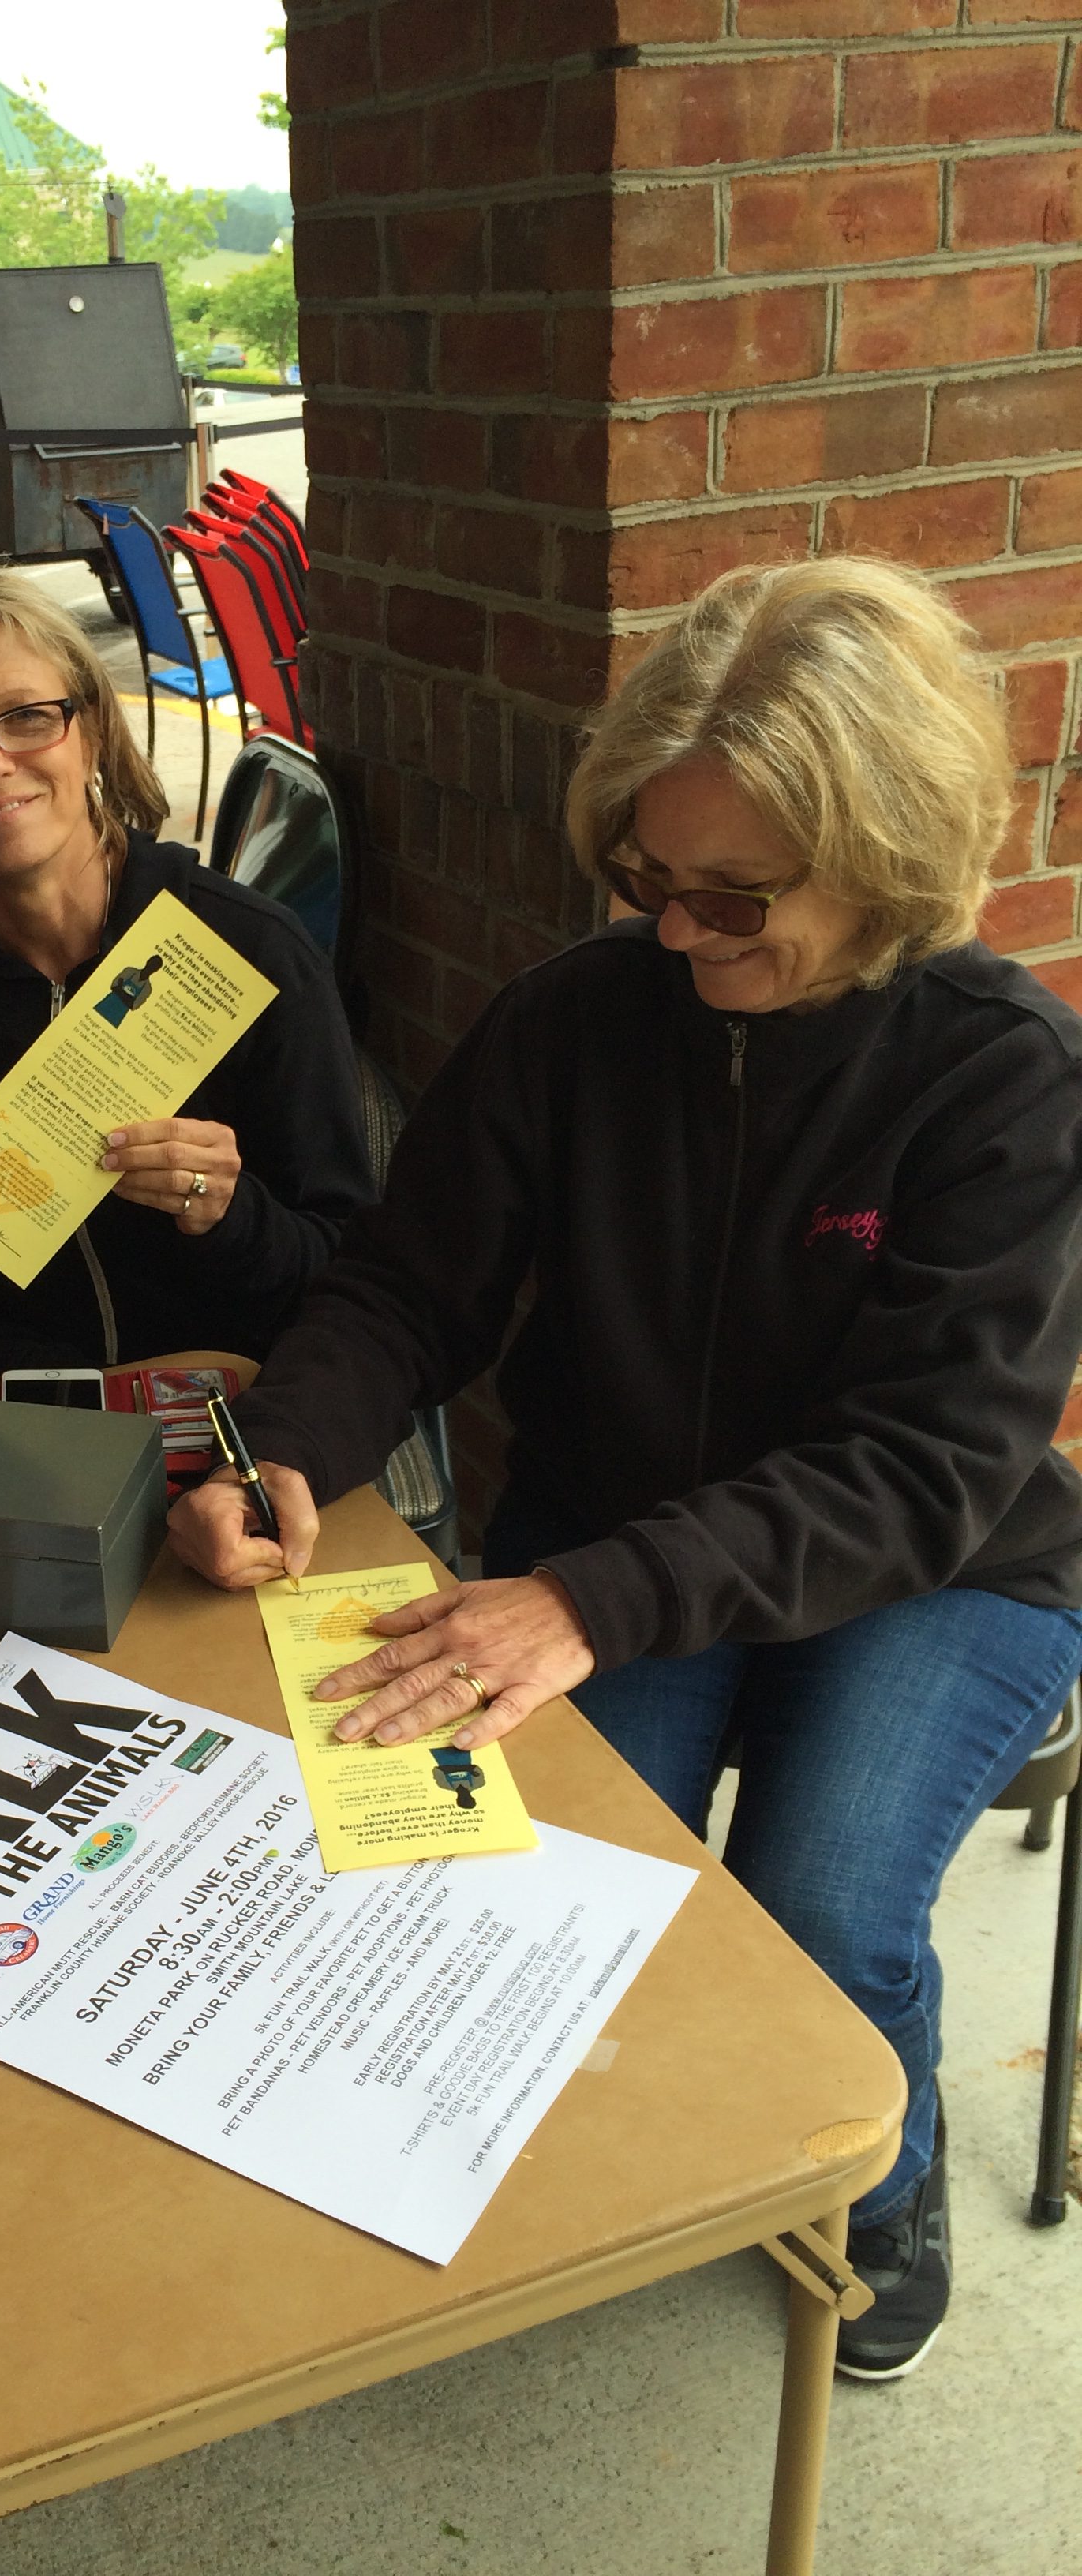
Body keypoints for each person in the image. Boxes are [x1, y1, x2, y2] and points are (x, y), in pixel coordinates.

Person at [169, 556, 1082, 2382]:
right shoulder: (567, 1019)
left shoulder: (1001, 1078)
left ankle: (878, 2179)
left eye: (729, 900)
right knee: (542, 1865)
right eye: (638, 881)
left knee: (817, 1898)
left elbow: (915, 1465)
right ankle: (624, 2144)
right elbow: (408, 1285)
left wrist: (583, 1600)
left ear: (884, 853)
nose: (669, 935)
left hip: (941, 1562)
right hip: (622, 1536)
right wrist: (277, 1450)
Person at [0, 560, 373, 1393]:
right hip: (40, 1439)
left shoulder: (250, 952)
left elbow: (351, 1277)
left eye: (25, 717)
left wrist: (231, 1217)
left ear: (90, 729)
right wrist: (84, 1402)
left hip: (253, 1422)